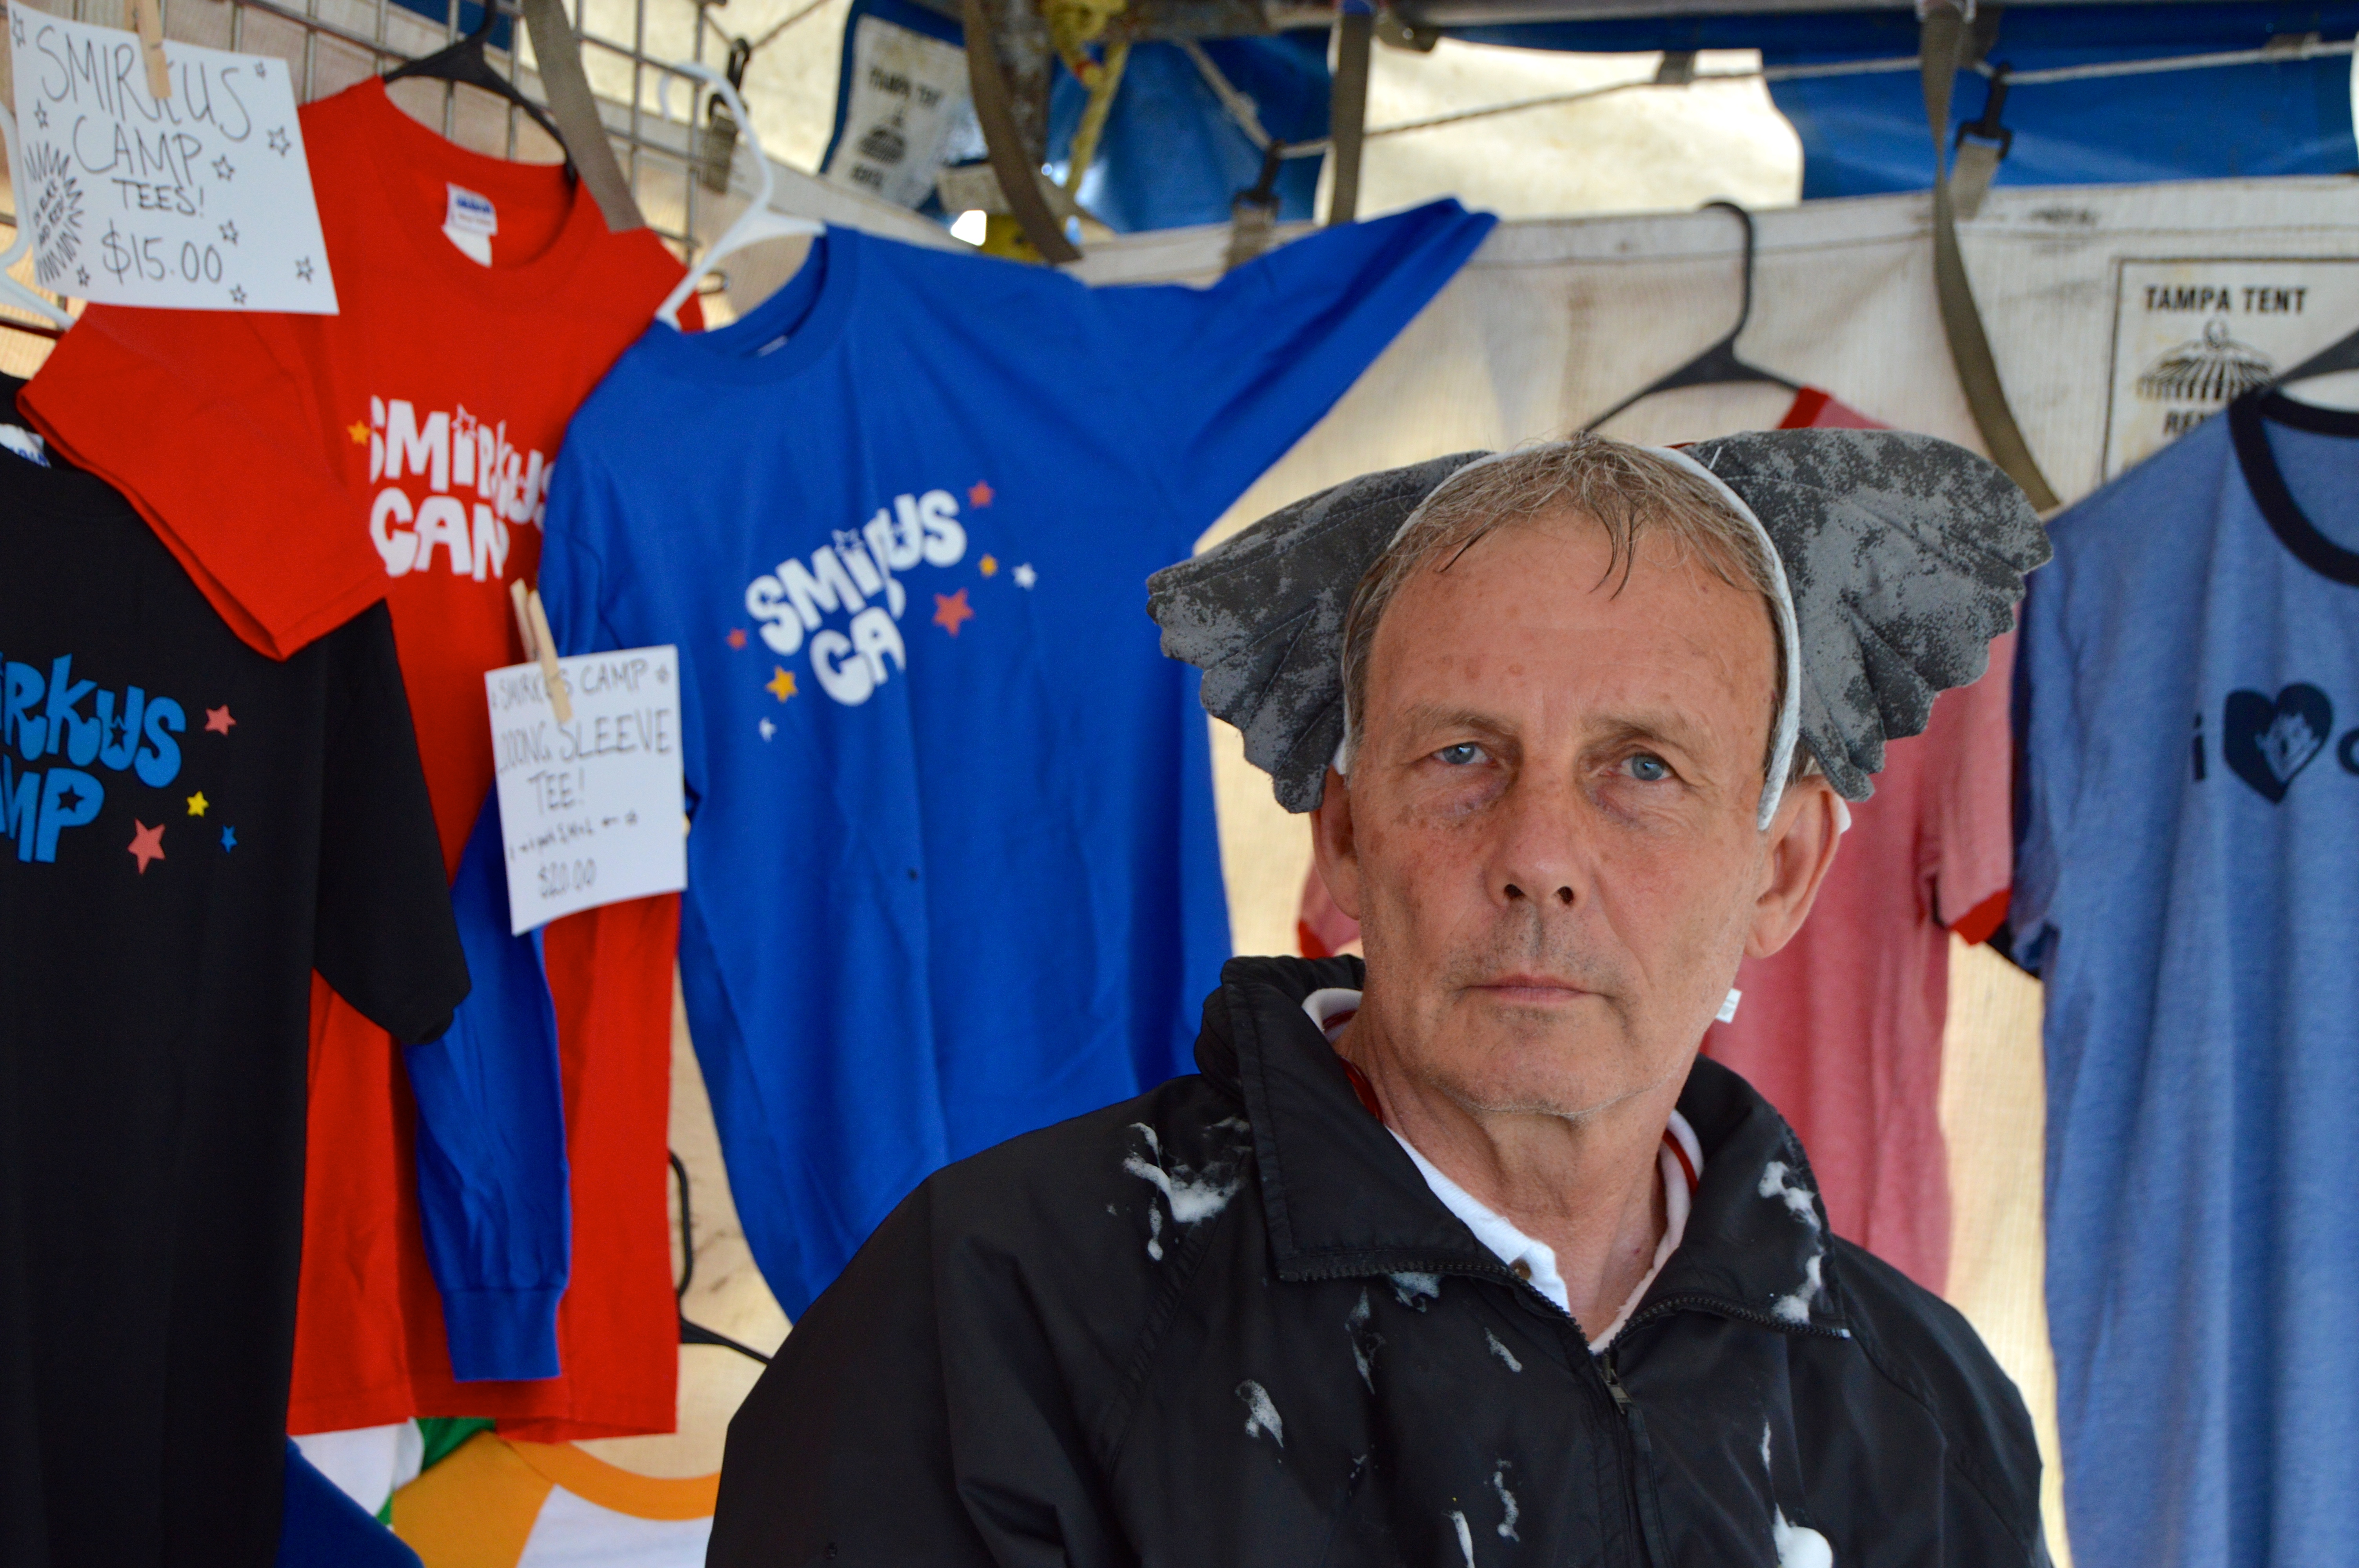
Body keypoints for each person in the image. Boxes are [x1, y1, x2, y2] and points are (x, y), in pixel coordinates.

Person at [707, 431, 2055, 1566]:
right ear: (1344, 836)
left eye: (1641, 768)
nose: (1538, 855)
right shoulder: (997, 1330)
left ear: (1782, 869)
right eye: (1462, 754)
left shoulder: (1924, 1414)